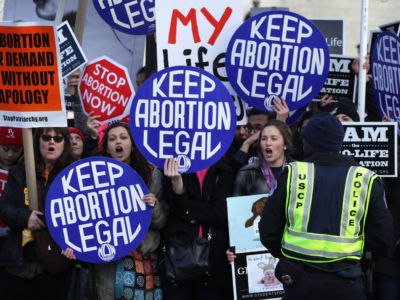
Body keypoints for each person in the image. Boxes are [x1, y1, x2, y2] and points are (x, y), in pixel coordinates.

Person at [259, 113, 393, 300]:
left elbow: (267, 230)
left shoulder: (292, 174)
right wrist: (357, 259)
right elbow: (384, 238)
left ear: (311, 143)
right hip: (347, 282)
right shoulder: (366, 178)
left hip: (300, 280)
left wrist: (289, 257)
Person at [86, 122, 167, 300]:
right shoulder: (94, 176)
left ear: (132, 144)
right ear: (107, 148)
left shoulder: (152, 174)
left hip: (141, 255)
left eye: (123, 137)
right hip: (108, 260)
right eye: (112, 139)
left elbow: (161, 222)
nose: (118, 142)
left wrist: (153, 207)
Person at [0, 127, 76, 300]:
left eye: (57, 139)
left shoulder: (73, 175)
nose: (51, 141)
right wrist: (25, 217)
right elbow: (4, 208)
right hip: (19, 264)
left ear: (65, 144)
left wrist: (76, 243)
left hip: (54, 267)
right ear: (37, 141)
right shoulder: (21, 171)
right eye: (46, 137)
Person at [162, 156, 235, 300]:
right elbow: (174, 210)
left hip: (214, 263)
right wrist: (177, 183)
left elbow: (220, 213)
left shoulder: (224, 171)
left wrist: (187, 207)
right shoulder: (172, 166)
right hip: (179, 260)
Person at [233, 119, 292, 197]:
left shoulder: (298, 171)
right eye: (263, 139)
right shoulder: (247, 172)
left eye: (274, 139)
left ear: (285, 144)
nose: (268, 143)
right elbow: (237, 206)